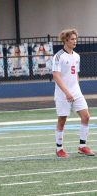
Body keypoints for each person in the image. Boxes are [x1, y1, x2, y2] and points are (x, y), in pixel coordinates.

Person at [52, 29, 95, 158]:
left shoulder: (77, 56)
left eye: (76, 39)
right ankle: (59, 149)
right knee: (62, 120)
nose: (75, 41)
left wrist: (76, 90)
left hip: (76, 92)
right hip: (62, 94)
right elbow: (56, 76)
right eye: (72, 39)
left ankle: (82, 146)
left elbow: (75, 74)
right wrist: (66, 92)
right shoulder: (58, 56)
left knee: (86, 116)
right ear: (65, 40)